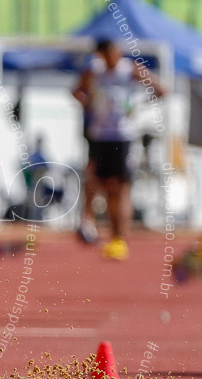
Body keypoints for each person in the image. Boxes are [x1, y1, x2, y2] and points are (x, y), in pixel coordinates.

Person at [71, 39, 165, 260]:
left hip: (122, 136)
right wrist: (89, 103)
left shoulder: (129, 69)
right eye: (103, 56)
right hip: (99, 134)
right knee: (97, 181)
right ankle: (91, 223)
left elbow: (161, 89)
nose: (107, 60)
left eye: (110, 55)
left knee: (120, 187)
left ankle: (119, 238)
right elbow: (76, 91)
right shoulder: (94, 71)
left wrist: (137, 105)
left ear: (116, 52)